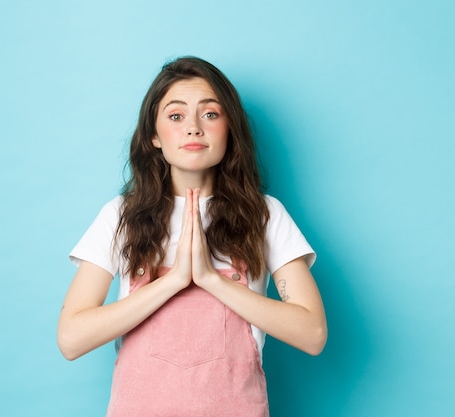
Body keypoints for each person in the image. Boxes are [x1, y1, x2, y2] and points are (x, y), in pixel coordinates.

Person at [57, 56, 327, 416]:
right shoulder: (121, 215)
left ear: (230, 129)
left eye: (211, 114)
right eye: (176, 115)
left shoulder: (264, 215)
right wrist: (173, 282)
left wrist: (211, 280)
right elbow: (71, 339)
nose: (194, 128)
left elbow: (312, 333)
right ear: (154, 135)